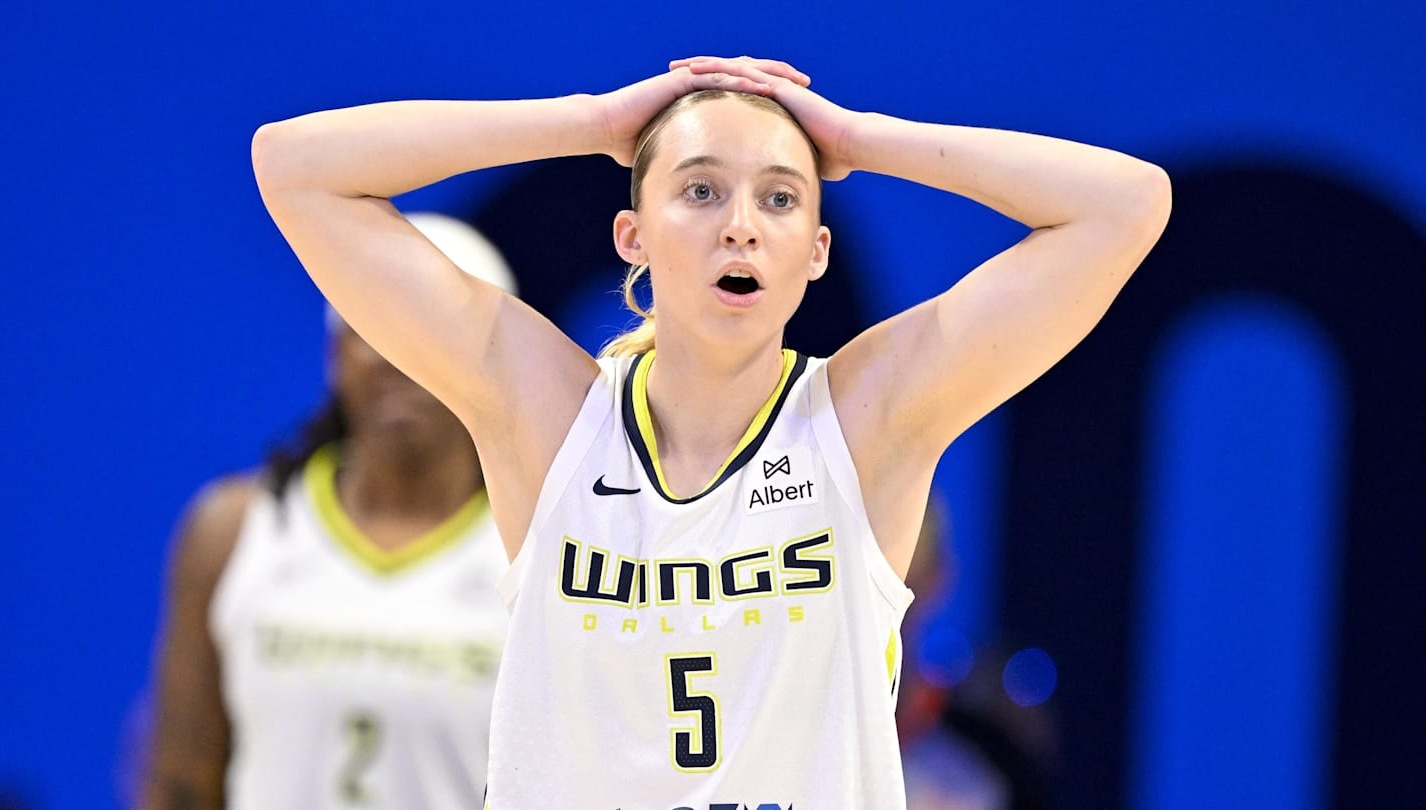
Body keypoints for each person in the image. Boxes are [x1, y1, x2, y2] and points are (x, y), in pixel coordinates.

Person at [250, 55, 1170, 809]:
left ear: (817, 251)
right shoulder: (552, 418)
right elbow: (295, 167)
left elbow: (1126, 206)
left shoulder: (864, 421)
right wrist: (594, 122)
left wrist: (855, 139)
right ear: (632, 235)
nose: (740, 227)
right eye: (699, 192)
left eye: (779, 200)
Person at [138, 213, 515, 810]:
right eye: (371, 324)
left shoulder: (546, 555)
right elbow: (181, 780)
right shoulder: (236, 533)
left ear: (496, 359)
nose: (398, 354)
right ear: (337, 355)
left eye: (432, 326)